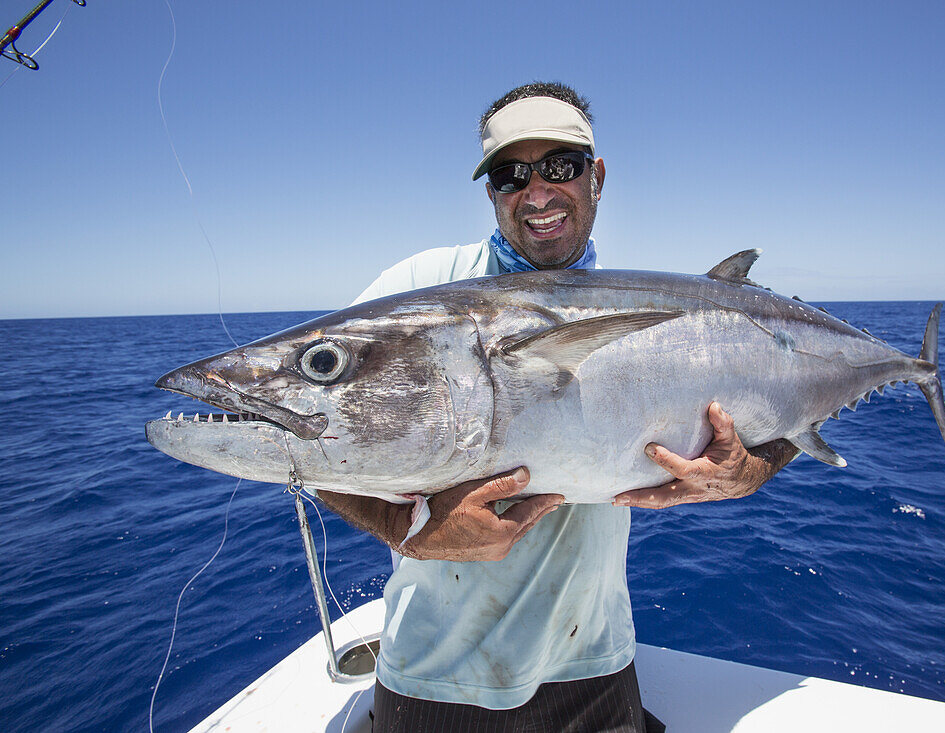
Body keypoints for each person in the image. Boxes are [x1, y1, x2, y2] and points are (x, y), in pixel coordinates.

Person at [318, 82, 798, 732]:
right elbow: (311, 439)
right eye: (512, 174)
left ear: (596, 177)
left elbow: (783, 418)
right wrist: (413, 532)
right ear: (490, 190)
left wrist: (751, 472)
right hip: (434, 676)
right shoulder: (417, 293)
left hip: (597, 672)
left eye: (560, 166)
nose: (538, 191)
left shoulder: (662, 316)